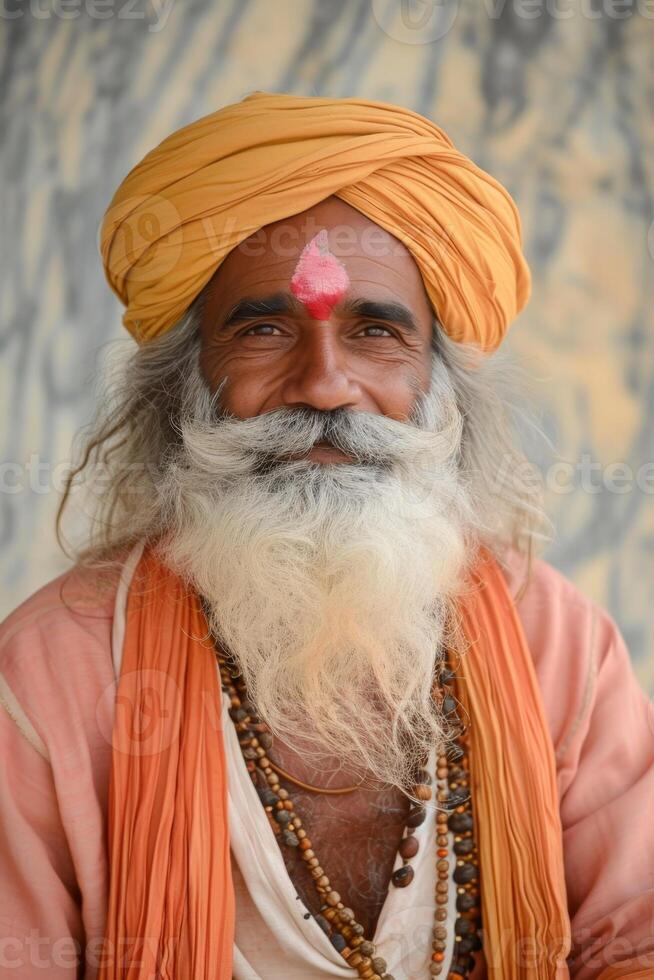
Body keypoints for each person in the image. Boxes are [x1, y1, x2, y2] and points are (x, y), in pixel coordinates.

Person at [0, 92, 652, 980]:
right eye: (264, 328)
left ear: (439, 387)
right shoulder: (53, 672)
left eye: (375, 331)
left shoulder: (558, 644)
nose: (324, 384)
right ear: (185, 383)